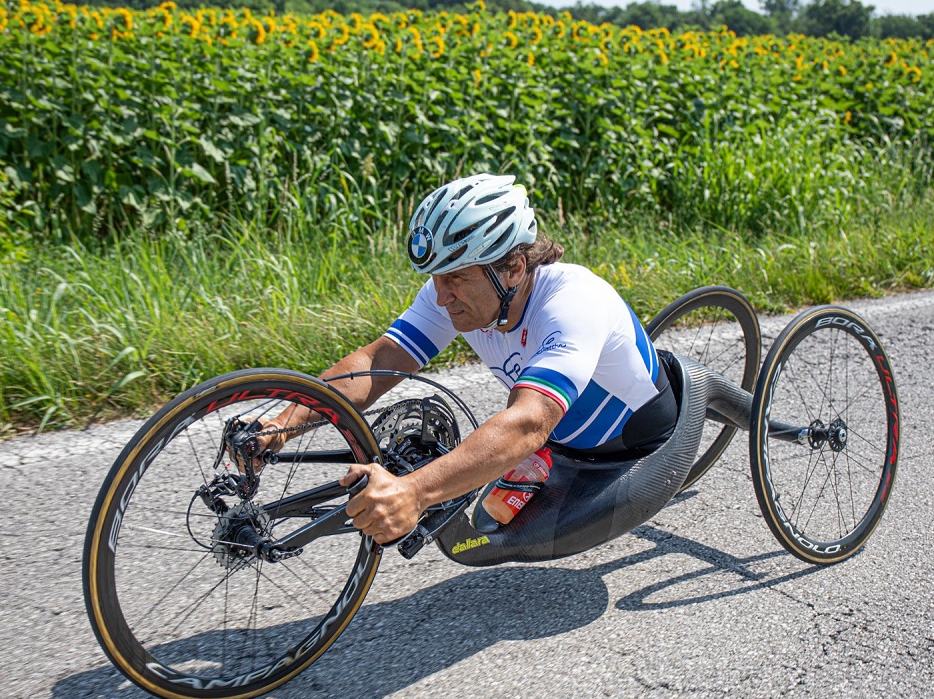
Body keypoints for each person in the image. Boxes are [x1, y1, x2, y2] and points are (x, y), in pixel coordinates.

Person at [244, 173, 679, 545]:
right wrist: (285, 424)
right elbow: (377, 361)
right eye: (435, 277)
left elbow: (528, 423)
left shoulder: (572, 302)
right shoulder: (467, 294)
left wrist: (412, 493)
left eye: (455, 277)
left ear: (513, 267)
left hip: (630, 442)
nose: (439, 295)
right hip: (559, 443)